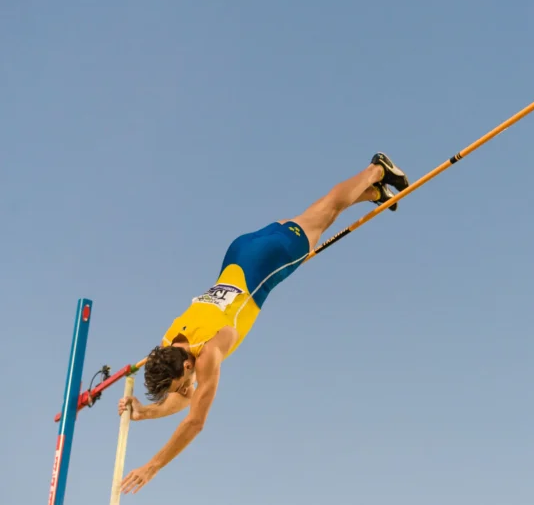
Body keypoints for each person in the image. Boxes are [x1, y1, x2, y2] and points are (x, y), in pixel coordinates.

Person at [117, 152, 410, 495]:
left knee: (329, 210)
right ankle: (376, 194)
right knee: (313, 216)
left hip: (268, 260)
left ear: (185, 364)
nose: (185, 388)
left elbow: (195, 419)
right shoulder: (171, 339)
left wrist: (153, 465)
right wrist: (145, 413)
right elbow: (186, 398)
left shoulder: (210, 351)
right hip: (240, 253)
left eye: (182, 382)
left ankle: (377, 168)